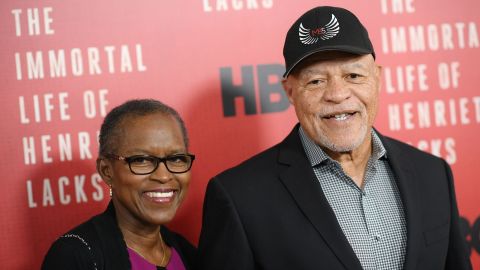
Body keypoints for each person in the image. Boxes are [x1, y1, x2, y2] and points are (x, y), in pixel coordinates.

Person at [197, 6, 472, 270]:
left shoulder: (433, 174)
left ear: (377, 78)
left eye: (353, 75)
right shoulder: (239, 197)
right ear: (290, 91)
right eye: (316, 81)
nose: (338, 94)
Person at [42, 99, 196, 270]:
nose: (163, 176)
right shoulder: (75, 256)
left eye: (176, 159)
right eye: (141, 160)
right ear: (107, 171)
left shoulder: (190, 254)